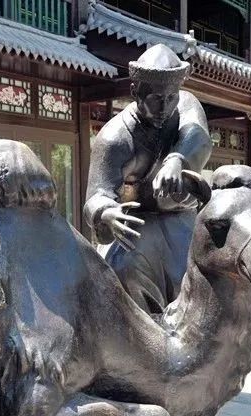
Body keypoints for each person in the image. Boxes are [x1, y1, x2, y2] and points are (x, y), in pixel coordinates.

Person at [84, 44, 212, 313]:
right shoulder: (114, 138)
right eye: (155, 98)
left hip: (180, 215)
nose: (164, 107)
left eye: (171, 98)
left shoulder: (186, 104)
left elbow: (198, 135)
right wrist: (107, 213)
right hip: (138, 222)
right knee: (124, 269)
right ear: (135, 92)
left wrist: (176, 159)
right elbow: (97, 194)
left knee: (206, 269)